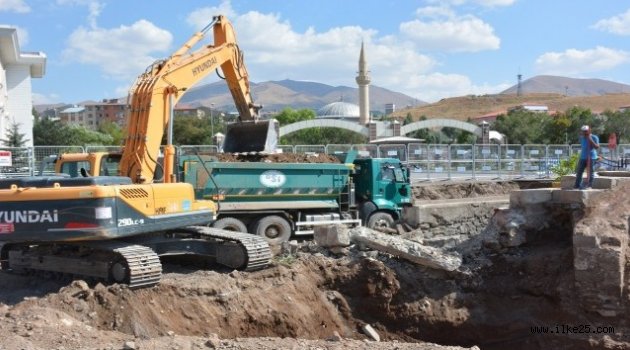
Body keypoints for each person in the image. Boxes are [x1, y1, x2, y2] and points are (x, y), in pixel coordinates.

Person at [574, 125, 599, 189]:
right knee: (579, 171)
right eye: (583, 131)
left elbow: (597, 147)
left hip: (591, 157)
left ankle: (589, 185)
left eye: (586, 131)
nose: (585, 133)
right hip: (583, 157)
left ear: (589, 130)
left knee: (591, 172)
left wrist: (590, 140)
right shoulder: (582, 138)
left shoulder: (594, 137)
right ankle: (577, 185)